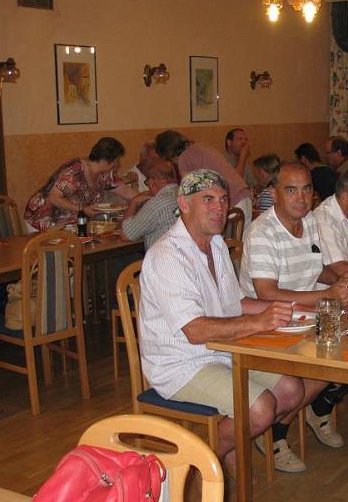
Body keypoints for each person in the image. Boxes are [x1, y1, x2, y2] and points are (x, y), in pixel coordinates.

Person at [138, 169, 326, 473]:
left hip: (224, 350)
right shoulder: (167, 256)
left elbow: (235, 303)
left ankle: (229, 444)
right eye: (207, 199)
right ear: (183, 204)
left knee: (291, 390)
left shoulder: (215, 244)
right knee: (260, 408)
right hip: (182, 364)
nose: (219, 208)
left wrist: (289, 309)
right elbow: (195, 330)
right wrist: (260, 322)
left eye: (223, 199)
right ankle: (192, 464)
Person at [240, 162, 348, 453]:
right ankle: (276, 433)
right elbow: (267, 293)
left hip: (304, 317)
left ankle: (290, 421)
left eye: (306, 189)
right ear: (274, 193)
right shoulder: (263, 231)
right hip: (265, 323)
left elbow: (316, 269)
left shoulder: (311, 223)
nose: (301, 198)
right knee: (329, 360)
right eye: (291, 190)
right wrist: (327, 295)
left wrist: (340, 280)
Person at [24, 137, 137, 232]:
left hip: (67, 223)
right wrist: (83, 209)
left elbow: (125, 191)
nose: (118, 165)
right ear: (106, 160)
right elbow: (53, 197)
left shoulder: (105, 173)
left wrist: (143, 198)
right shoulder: (74, 171)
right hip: (43, 217)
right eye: (117, 161)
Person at [154, 130, 253, 237]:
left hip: (230, 201)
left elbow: (187, 192)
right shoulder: (202, 146)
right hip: (244, 196)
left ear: (168, 155)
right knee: (241, 244)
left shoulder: (184, 158)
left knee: (219, 243)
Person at [121, 161, 179, 249]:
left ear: (152, 181)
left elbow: (126, 235)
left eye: (147, 182)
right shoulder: (185, 195)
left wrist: (134, 202)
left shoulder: (157, 203)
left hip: (163, 256)